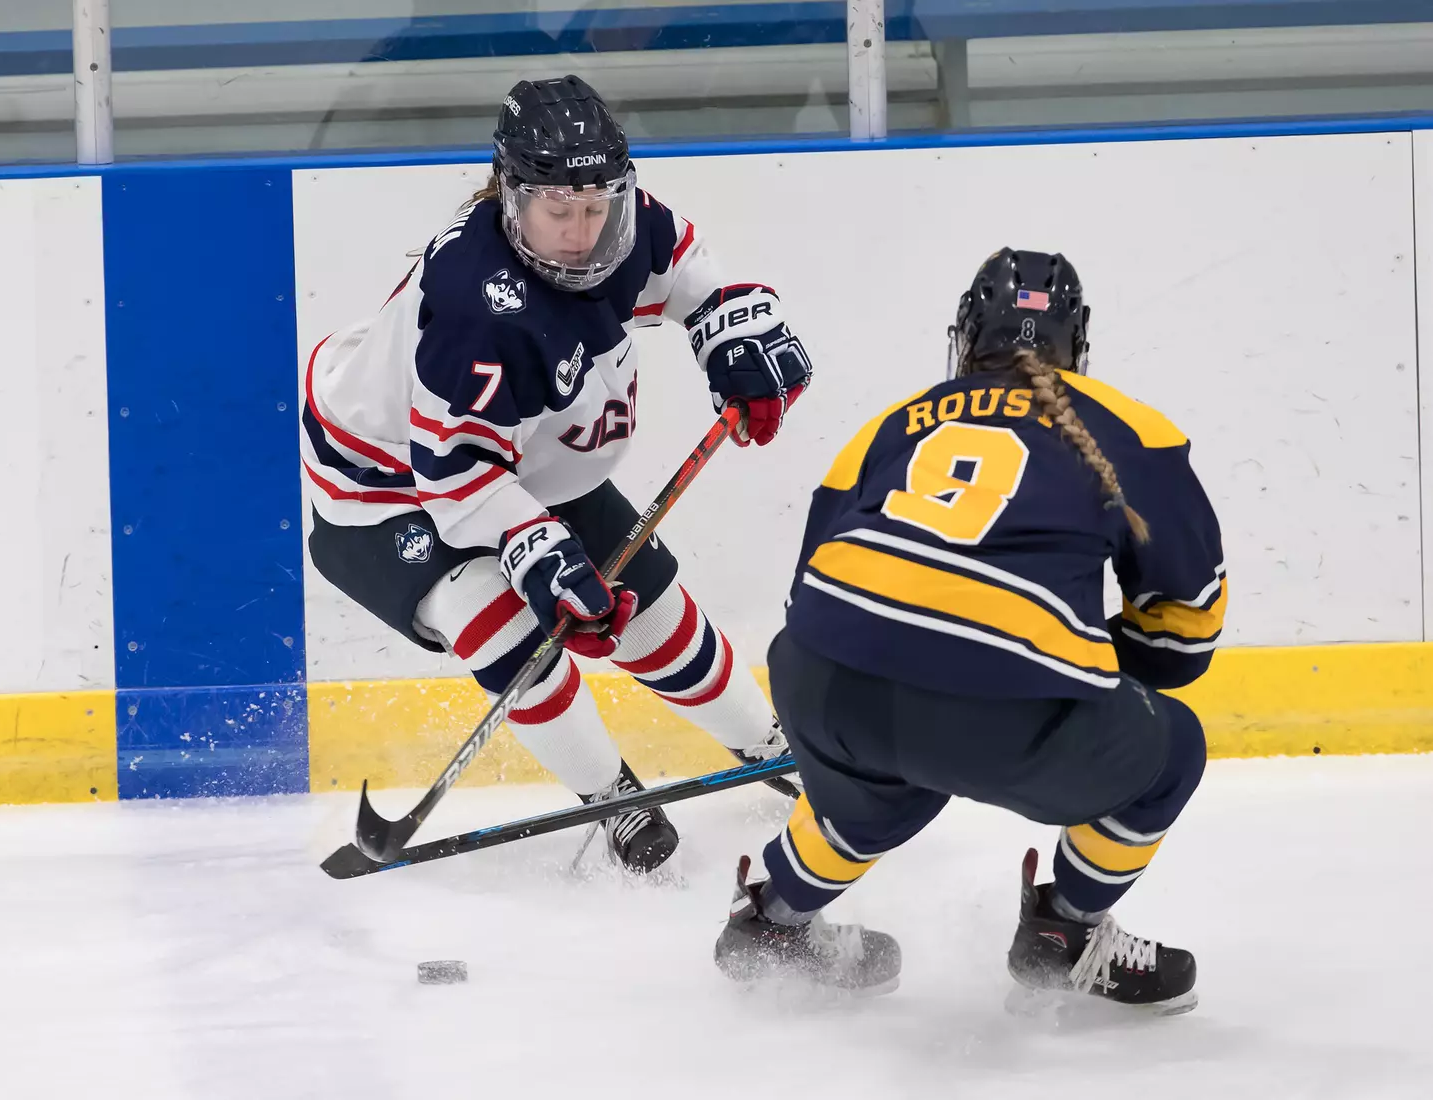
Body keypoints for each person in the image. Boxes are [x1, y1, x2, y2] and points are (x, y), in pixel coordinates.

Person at [301, 75, 809, 874]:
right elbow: (456, 475)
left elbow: (685, 268)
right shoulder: (476, 307)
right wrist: (532, 547)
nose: (579, 233)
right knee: (505, 624)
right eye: (557, 212)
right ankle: (611, 796)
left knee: (645, 604)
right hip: (386, 483)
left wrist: (728, 328)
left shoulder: (619, 220)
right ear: (511, 195)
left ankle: (771, 747)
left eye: (593, 208)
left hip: (527, 456)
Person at [713, 249, 1223, 1014]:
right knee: (1172, 746)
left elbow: (809, 592)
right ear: (1075, 346)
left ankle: (773, 919)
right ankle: (1066, 931)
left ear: (965, 337)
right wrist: (1083, 661)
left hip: (822, 677)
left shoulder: (890, 424)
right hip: (1003, 712)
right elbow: (1185, 632)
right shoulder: (1128, 427)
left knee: (884, 770)